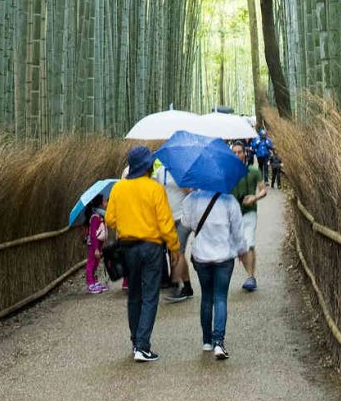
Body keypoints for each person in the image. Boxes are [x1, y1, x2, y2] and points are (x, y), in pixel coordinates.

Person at [105, 146, 180, 362]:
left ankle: (135, 341)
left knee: (134, 295)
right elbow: (166, 224)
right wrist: (174, 248)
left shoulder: (119, 188)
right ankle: (143, 345)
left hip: (128, 248)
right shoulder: (155, 189)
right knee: (150, 296)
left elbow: (110, 219)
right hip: (151, 248)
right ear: (147, 166)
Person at [178, 186, 246, 360]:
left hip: (201, 256)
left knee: (206, 297)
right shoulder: (230, 201)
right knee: (220, 297)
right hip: (224, 256)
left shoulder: (193, 199)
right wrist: (241, 250)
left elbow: (186, 223)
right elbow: (238, 230)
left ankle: (207, 341)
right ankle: (218, 342)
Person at [153, 162, 194, 302]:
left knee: (178, 251)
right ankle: (187, 286)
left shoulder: (183, 169)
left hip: (183, 217)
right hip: (167, 219)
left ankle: (176, 285)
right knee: (176, 252)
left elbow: (193, 191)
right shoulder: (160, 172)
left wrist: (185, 187)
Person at [230, 140, 267, 291]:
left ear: (244, 153)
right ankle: (250, 275)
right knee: (240, 248)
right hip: (234, 214)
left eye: (239, 152)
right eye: (234, 152)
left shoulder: (253, 171)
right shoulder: (228, 173)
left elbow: (263, 190)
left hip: (250, 211)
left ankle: (251, 277)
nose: (237, 154)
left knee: (249, 242)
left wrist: (254, 197)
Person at [84, 195, 109, 293]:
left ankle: (94, 280)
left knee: (96, 262)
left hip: (98, 244)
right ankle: (90, 283)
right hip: (93, 244)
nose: (104, 202)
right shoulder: (95, 217)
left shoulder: (100, 216)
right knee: (91, 262)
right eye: (103, 200)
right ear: (99, 203)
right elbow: (93, 235)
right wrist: (96, 249)